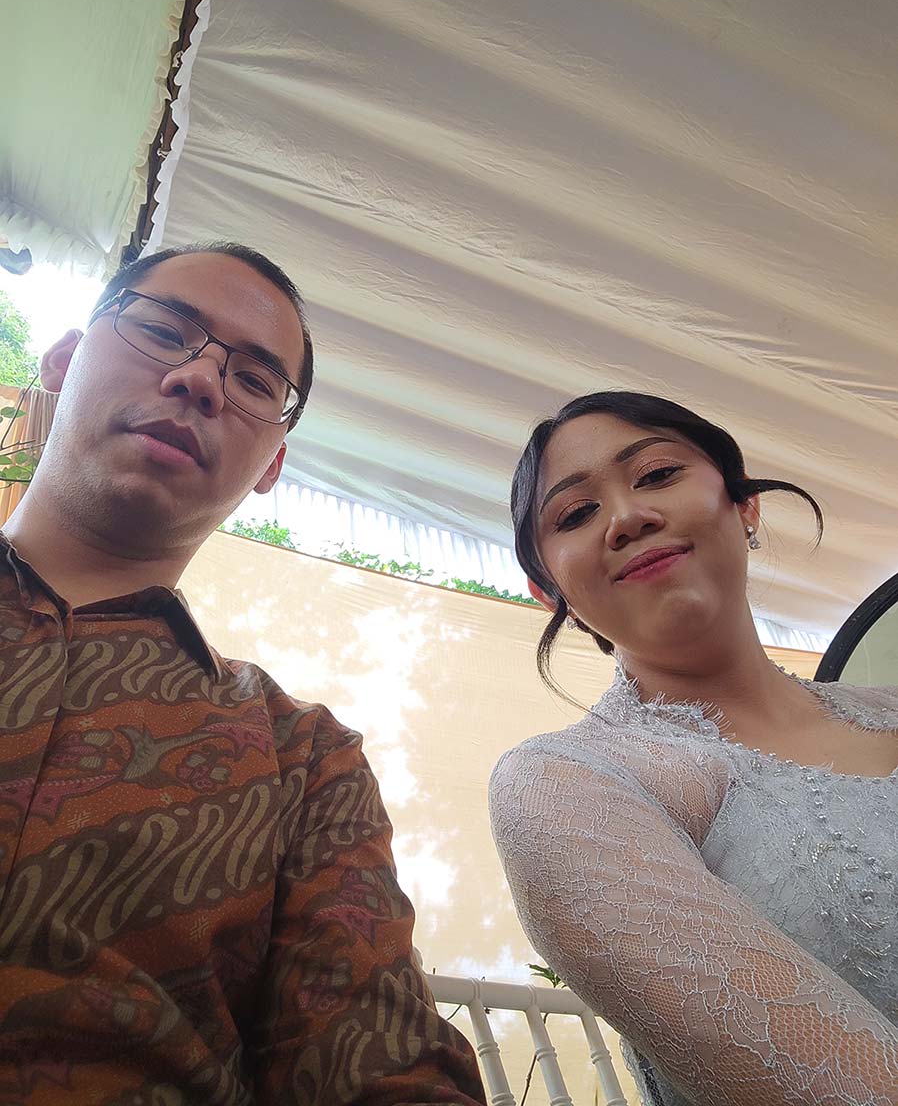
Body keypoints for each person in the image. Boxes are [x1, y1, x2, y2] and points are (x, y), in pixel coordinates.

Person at [0, 242, 485, 1105]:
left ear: (271, 467)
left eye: (255, 381)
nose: (200, 381)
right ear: (64, 360)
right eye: (163, 330)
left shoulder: (307, 761)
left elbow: (377, 1057)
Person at [489, 391, 898, 1106]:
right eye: (576, 514)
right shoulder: (569, 783)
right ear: (547, 589)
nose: (626, 517)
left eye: (657, 475)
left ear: (745, 505)